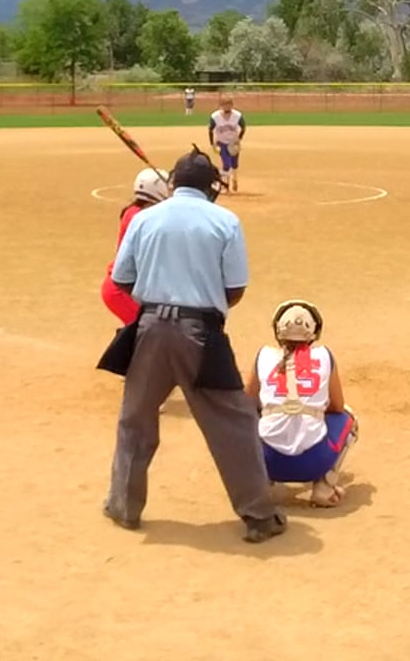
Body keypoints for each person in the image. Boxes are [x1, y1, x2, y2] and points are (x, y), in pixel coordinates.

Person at [98, 148, 285, 543]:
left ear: (174, 182)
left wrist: (158, 294)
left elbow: (122, 279)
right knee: (233, 422)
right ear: (210, 185)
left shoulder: (144, 218)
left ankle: (123, 505)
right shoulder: (225, 221)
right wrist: (201, 299)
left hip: (148, 328)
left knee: (135, 419)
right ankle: (258, 515)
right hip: (201, 333)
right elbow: (235, 288)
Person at [245, 300, 358, 509]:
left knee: (251, 418)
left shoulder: (264, 355)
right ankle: (324, 486)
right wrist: (312, 409)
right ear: (314, 332)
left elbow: (247, 403)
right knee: (347, 418)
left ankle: (260, 484)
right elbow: (337, 406)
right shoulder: (324, 355)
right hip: (314, 462)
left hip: (268, 461)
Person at [100, 168, 171, 324]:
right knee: (151, 327)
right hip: (122, 289)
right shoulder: (139, 216)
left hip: (129, 287)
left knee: (148, 330)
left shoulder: (137, 212)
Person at [208, 97, 246, 192]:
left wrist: (239, 139)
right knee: (226, 164)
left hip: (233, 143)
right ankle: (225, 185)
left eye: (229, 105)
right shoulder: (215, 116)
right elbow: (210, 130)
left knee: (234, 164)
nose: (227, 107)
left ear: (232, 105)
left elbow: (243, 127)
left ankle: (235, 179)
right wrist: (212, 144)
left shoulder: (237, 115)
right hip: (222, 143)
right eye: (225, 105)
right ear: (221, 106)